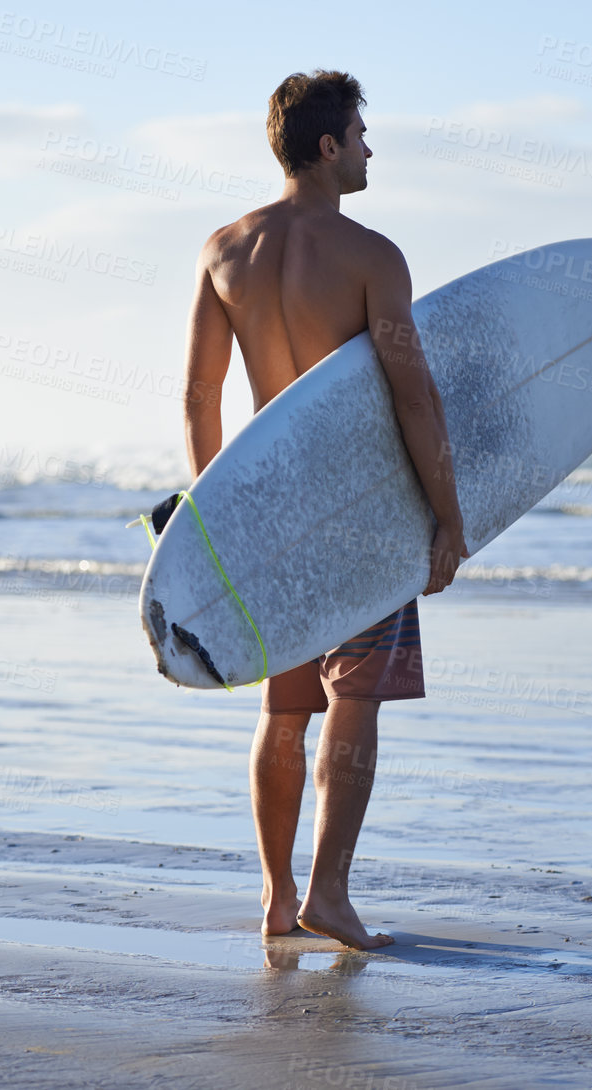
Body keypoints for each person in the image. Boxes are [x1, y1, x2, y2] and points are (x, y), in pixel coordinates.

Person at [180, 70, 467, 950]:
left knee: (286, 704)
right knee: (359, 694)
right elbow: (413, 396)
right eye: (362, 133)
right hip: (361, 503)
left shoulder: (224, 249)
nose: (372, 149)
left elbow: (199, 396)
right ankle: (330, 896)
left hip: (266, 503)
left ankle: (276, 898)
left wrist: (216, 510)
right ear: (329, 145)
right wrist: (449, 516)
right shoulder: (373, 258)